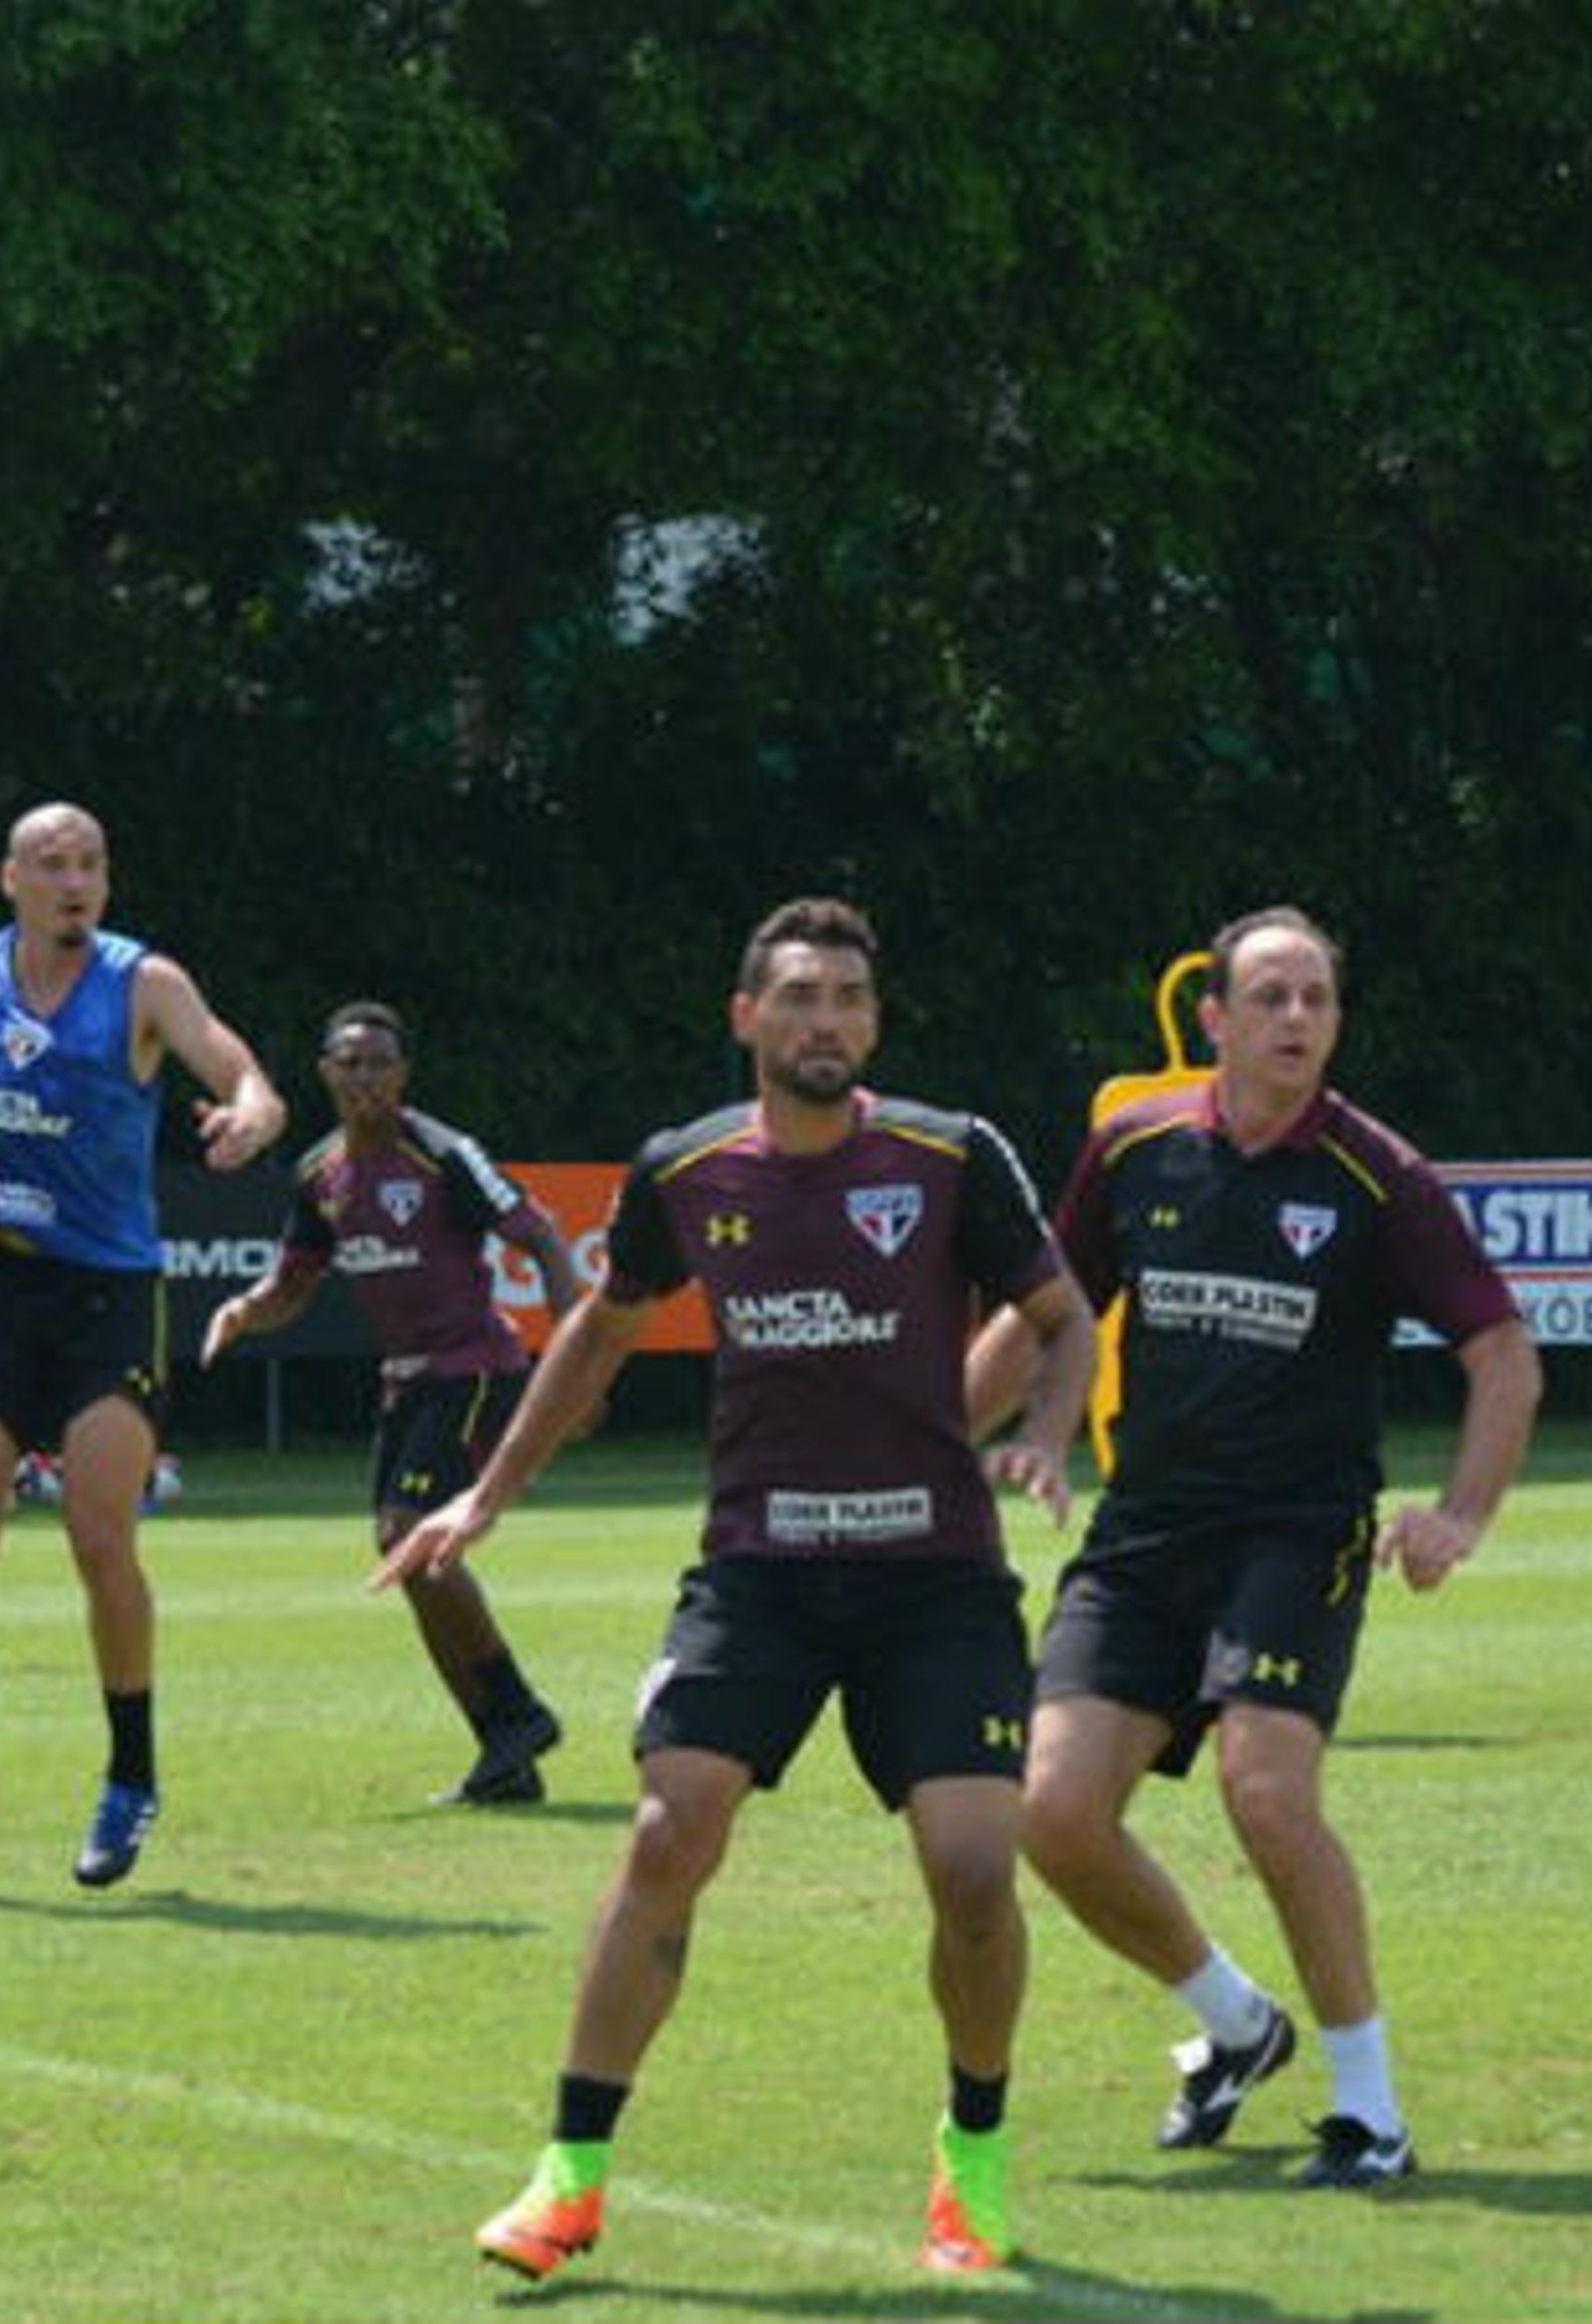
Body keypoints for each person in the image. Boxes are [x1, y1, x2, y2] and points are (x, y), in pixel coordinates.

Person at [375, 898, 1094, 2283]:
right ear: (747, 1017)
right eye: (801, 996)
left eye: (848, 1000)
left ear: (872, 1024)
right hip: (760, 1570)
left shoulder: (952, 1155)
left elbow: (1062, 1317)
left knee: (973, 1870)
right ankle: (568, 2177)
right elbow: (602, 1325)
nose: (825, 1020)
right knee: (667, 1826)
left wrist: (1048, 1433)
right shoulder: (685, 1168)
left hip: (933, 1578)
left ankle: (973, 2156)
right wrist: (489, 1490)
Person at [977, 904, 1542, 2193]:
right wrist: (922, 1447)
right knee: (1054, 1815)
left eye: (1319, 1000)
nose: (1299, 1021)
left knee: (1269, 1793)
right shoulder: (1132, 1150)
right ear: (1214, 1019)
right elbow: (1044, 1318)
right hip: (1144, 1534)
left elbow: (1503, 1355)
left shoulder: (1377, 1177)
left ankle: (1370, 2111)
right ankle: (1238, 2025)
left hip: (1297, 1533)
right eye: (1273, 998)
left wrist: (1462, 1513)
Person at [0, 801, 286, 1889]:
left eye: (90, 863)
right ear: (9, 877)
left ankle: (130, 1776)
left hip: (108, 1292)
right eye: (52, 863)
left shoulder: (143, 982)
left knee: (100, 1537)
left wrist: (252, 1105)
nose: (74, 881)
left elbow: (234, 1063)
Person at [198, 1000, 584, 1806]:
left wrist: (576, 1363)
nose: (365, 1077)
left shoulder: (441, 1153)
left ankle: (517, 1714)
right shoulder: (319, 1174)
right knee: (408, 1560)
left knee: (409, 1541)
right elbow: (294, 1284)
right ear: (326, 1074)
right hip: (408, 1383)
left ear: (403, 1075)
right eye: (351, 1062)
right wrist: (243, 1309)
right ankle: (506, 1751)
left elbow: (543, 1237)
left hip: (476, 1369)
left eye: (380, 1063)